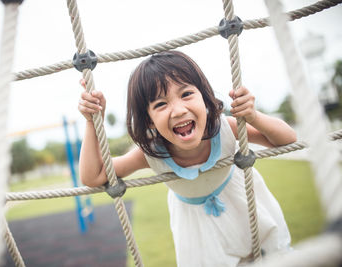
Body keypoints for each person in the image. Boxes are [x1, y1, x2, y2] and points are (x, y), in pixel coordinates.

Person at [78, 50, 296, 266]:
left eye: (186, 94)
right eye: (161, 104)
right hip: (198, 232)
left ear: (204, 97)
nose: (179, 110)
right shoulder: (153, 152)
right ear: (150, 121)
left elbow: (286, 139)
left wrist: (253, 117)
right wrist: (92, 123)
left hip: (245, 208)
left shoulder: (224, 128)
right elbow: (93, 176)